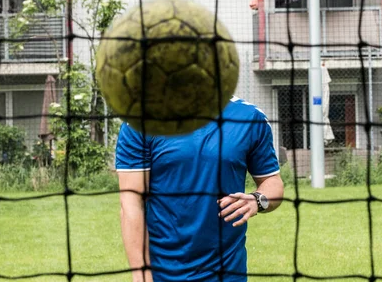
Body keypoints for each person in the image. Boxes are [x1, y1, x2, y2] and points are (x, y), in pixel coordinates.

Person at [116, 96, 285, 282]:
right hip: (163, 273)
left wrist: (257, 200)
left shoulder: (249, 117)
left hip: (228, 272)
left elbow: (273, 182)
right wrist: (141, 276)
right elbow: (131, 203)